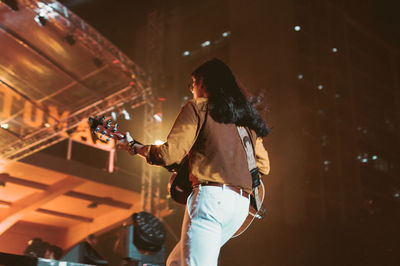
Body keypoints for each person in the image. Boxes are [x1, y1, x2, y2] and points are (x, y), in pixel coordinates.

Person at [118, 58, 270, 266]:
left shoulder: (197, 108)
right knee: (176, 262)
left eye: (192, 85)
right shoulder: (245, 122)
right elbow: (264, 167)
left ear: (202, 82)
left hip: (211, 202)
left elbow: (168, 154)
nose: (192, 91)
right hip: (240, 208)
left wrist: (136, 148)